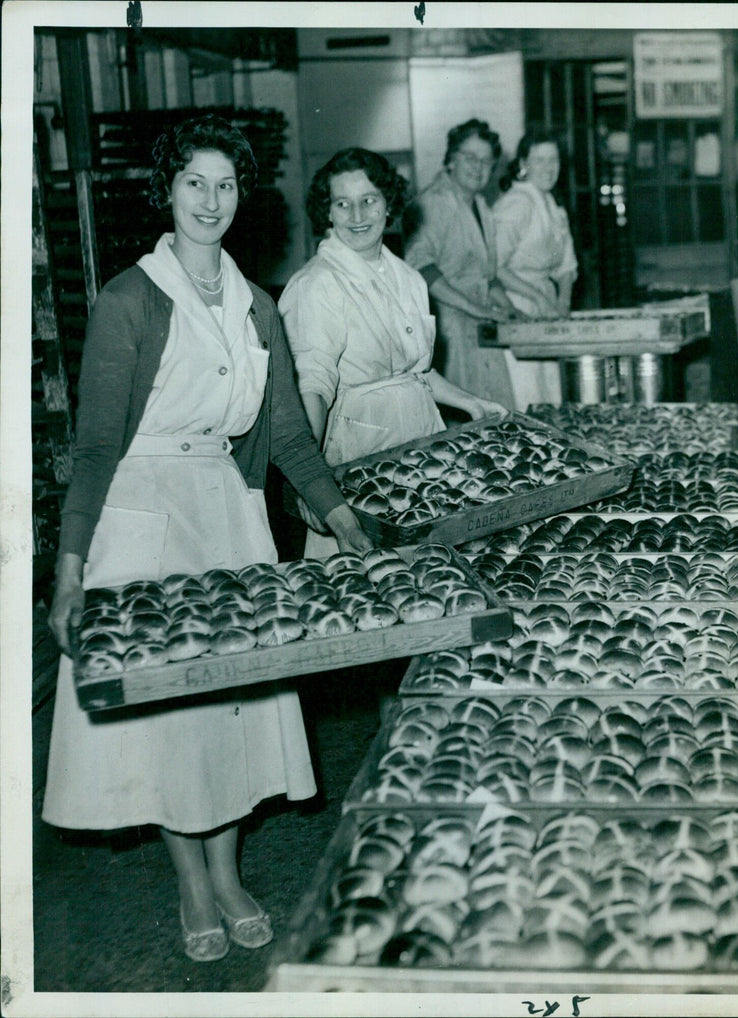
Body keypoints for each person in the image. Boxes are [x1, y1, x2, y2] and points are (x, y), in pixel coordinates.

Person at [43, 115, 371, 964]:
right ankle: (191, 881)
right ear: (169, 190)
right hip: (144, 518)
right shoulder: (127, 299)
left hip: (227, 512)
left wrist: (344, 523)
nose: (211, 201)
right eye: (196, 183)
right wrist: (69, 573)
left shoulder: (259, 304)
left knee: (234, 712)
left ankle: (227, 872)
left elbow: (291, 436)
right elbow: (93, 447)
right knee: (170, 722)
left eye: (227, 185)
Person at [278, 147, 507, 559]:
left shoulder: (407, 278)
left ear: (388, 205)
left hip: (422, 446)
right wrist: (308, 482)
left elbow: (415, 372)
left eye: (369, 200)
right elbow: (311, 386)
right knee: (366, 579)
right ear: (326, 213)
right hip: (360, 456)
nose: (357, 214)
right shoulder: (316, 285)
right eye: (342, 203)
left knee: (433, 574)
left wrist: (471, 403)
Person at [403, 119, 519, 409]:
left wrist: (512, 311)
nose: (478, 167)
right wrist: (477, 308)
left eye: (486, 161)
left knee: (496, 414)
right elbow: (421, 269)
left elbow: (488, 278)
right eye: (470, 157)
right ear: (451, 158)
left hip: (480, 331)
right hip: (447, 335)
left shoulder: (480, 205)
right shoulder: (432, 203)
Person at [493, 128, 579, 408]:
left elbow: (567, 265)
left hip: (547, 308)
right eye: (539, 160)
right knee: (526, 393)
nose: (548, 168)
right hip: (516, 304)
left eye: (553, 160)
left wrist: (563, 300)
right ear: (523, 165)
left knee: (551, 392)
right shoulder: (516, 204)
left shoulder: (553, 206)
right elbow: (493, 267)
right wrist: (538, 297)